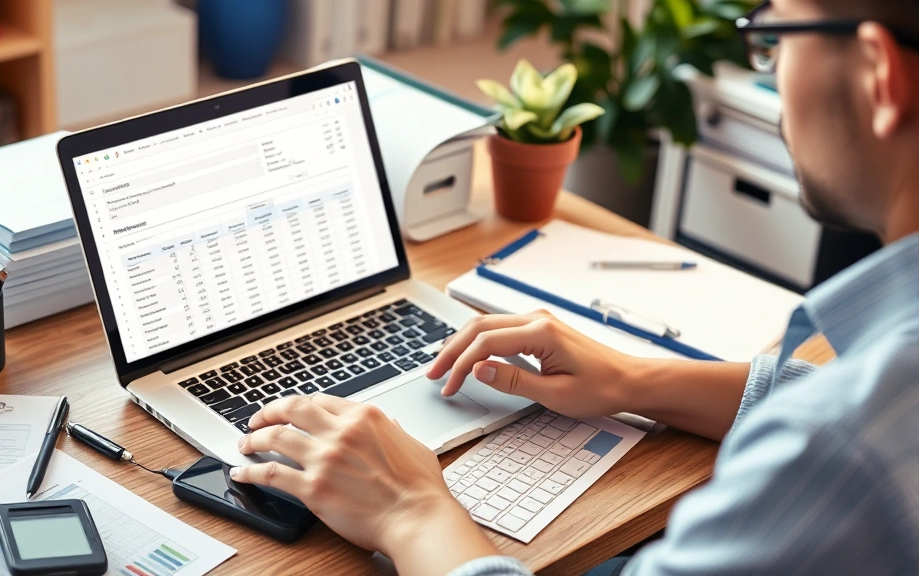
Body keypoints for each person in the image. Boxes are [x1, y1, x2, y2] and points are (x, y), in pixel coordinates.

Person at [229, 0, 919, 573]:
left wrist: (410, 510)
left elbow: (839, 426)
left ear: (879, 77)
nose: (774, 76)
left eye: (774, 42)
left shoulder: (836, 451)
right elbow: (832, 391)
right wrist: (629, 380)